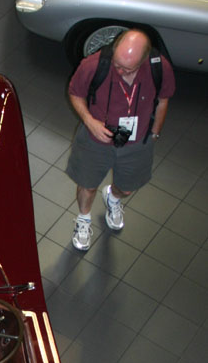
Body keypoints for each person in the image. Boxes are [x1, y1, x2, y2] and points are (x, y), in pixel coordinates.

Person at [66, 29, 175, 251]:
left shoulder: (159, 67)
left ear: (144, 60)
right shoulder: (94, 65)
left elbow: (163, 100)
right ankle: (84, 219)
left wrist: (154, 133)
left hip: (137, 141)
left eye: (127, 68)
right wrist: (89, 121)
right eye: (117, 63)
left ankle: (113, 198)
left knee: (127, 188)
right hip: (96, 139)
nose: (119, 70)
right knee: (87, 184)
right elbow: (75, 93)